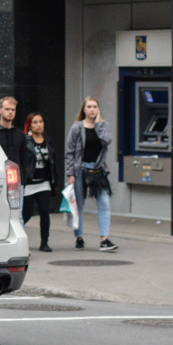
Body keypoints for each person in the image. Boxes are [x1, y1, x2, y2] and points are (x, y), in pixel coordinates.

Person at [65, 96, 117, 252]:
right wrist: (71, 173)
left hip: (98, 170)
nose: (92, 109)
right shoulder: (77, 128)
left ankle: (104, 239)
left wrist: (99, 124)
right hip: (81, 170)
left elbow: (107, 140)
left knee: (104, 203)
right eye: (89, 106)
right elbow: (70, 152)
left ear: (98, 109)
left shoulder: (104, 126)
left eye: (95, 106)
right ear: (84, 109)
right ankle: (79, 237)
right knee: (79, 206)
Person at [21, 112, 57, 253]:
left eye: (40, 122)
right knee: (27, 213)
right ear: (29, 125)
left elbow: (53, 163)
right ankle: (19, 238)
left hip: (44, 182)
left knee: (44, 211)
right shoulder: (26, 141)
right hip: (30, 183)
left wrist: (55, 180)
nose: (39, 125)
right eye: (35, 122)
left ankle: (44, 242)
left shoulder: (48, 141)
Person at [0, 96, 22, 163]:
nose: (10, 112)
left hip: (16, 171)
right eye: (7, 109)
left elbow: (24, 159)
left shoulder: (20, 135)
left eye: (13, 110)